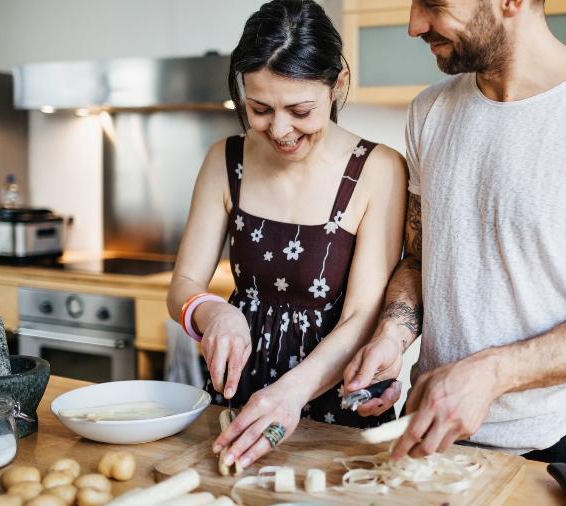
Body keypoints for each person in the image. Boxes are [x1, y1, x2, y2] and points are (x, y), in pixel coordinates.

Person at [343, 0, 566, 473]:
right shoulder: (429, 110)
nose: (414, 25)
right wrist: (393, 336)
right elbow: (419, 259)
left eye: (433, 4)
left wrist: (491, 374)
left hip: (558, 441)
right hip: (436, 430)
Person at [167, 0, 406, 470]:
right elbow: (182, 286)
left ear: (336, 84)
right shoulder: (225, 159)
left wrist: (291, 394)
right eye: (259, 109)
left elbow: (362, 314)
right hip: (239, 402)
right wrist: (214, 313)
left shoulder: (378, 169)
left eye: (300, 110)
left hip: (336, 404)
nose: (279, 130)